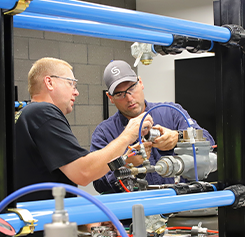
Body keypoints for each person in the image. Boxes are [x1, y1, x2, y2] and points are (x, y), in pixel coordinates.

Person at [14, 57, 153, 202]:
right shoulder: (42, 112)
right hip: (40, 221)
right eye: (71, 84)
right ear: (49, 82)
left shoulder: (27, 114)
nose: (76, 92)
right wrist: (128, 135)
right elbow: (83, 172)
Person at [90, 60, 215, 194]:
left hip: (181, 203)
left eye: (131, 88)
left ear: (141, 82)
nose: (129, 98)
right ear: (110, 97)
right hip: (137, 208)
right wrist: (125, 163)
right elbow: (98, 183)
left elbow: (209, 142)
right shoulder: (104, 133)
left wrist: (178, 137)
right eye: (120, 94)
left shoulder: (171, 112)